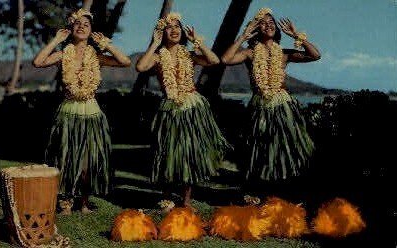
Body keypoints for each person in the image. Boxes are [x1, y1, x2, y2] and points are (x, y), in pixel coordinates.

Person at [33, 8, 131, 214]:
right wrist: (56, 40)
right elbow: (38, 62)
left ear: (91, 30)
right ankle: (65, 201)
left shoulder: (96, 55)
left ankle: (84, 201)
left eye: (86, 24)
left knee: (88, 161)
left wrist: (107, 45)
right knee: (66, 158)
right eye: (77, 23)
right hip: (68, 111)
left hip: (91, 112)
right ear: (70, 28)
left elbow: (125, 62)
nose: (81, 26)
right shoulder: (63, 53)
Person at [136, 13, 230, 207]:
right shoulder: (157, 56)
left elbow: (214, 60)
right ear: (163, 33)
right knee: (167, 151)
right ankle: (167, 197)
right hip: (169, 107)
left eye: (177, 26)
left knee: (189, 152)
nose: (174, 30)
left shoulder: (189, 54)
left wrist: (198, 42)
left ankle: (186, 200)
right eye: (169, 27)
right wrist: (154, 43)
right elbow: (140, 66)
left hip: (191, 106)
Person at [221, 8, 321, 182]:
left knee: (286, 147)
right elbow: (225, 59)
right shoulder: (249, 53)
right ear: (256, 29)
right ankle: (263, 189)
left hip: (283, 105)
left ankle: (284, 188)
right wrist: (244, 35)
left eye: (271, 23)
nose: (268, 26)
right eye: (263, 23)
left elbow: (315, 55)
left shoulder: (283, 54)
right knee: (262, 147)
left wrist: (297, 35)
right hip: (260, 105)